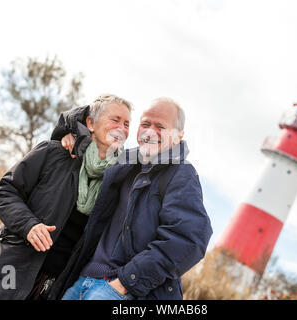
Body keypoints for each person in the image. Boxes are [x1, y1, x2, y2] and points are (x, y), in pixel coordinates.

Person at [0, 94, 132, 300]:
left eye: (127, 123)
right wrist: (29, 225)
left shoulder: (118, 180)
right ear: (91, 123)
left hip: (54, 285)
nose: (122, 128)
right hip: (12, 267)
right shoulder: (53, 152)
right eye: (115, 119)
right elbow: (5, 191)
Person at [58, 97, 213, 300]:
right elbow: (96, 125)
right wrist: (69, 133)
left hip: (121, 290)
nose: (150, 132)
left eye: (160, 126)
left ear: (178, 136)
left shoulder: (182, 174)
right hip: (83, 280)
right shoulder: (124, 162)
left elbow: (189, 240)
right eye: (145, 124)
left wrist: (124, 283)